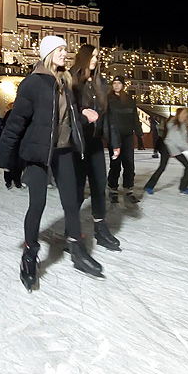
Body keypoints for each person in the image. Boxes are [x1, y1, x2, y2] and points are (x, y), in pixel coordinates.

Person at [0, 36, 101, 291]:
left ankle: (77, 250)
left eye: (66, 50)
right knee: (38, 204)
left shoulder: (65, 83)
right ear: (49, 53)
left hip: (63, 150)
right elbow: (16, 122)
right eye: (61, 50)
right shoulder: (33, 83)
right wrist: (5, 156)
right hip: (38, 153)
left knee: (71, 202)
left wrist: (84, 118)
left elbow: (69, 118)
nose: (66, 54)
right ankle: (30, 255)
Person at [70, 44, 121, 251]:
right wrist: (82, 114)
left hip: (96, 143)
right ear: (83, 57)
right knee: (77, 189)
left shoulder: (101, 83)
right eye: (92, 56)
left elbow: (108, 115)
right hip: (78, 143)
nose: (95, 59)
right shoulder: (72, 81)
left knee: (100, 186)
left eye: (97, 56)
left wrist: (114, 142)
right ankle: (71, 230)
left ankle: (100, 229)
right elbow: (68, 112)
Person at [144, 107, 188, 195]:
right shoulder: (174, 125)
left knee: (187, 166)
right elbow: (179, 141)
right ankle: (149, 186)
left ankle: (183, 187)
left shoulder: (182, 125)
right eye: (185, 113)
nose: (187, 114)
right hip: (167, 147)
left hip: (174, 148)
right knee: (162, 167)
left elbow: (181, 141)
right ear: (180, 114)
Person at [106, 76, 140, 203]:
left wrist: (138, 131)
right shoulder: (109, 100)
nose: (116, 85)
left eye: (119, 83)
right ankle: (113, 188)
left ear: (123, 85)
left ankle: (128, 188)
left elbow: (134, 116)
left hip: (127, 136)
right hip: (115, 136)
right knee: (115, 163)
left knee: (129, 163)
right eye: (114, 83)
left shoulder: (129, 100)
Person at [1, 104, 24, 190]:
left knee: (18, 162)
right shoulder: (9, 114)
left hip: (19, 140)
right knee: (9, 161)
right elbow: (4, 125)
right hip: (10, 140)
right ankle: (8, 180)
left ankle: (17, 180)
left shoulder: (23, 114)